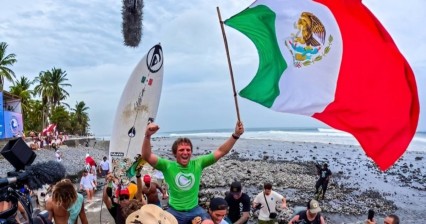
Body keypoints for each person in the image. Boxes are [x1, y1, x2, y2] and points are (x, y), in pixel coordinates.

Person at [142, 121, 244, 224]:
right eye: (181, 150)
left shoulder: (198, 163)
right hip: (174, 211)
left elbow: (221, 151)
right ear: (174, 153)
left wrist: (235, 135)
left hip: (194, 210)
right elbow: (147, 156)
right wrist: (147, 136)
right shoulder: (167, 166)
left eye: (188, 150)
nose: (185, 152)